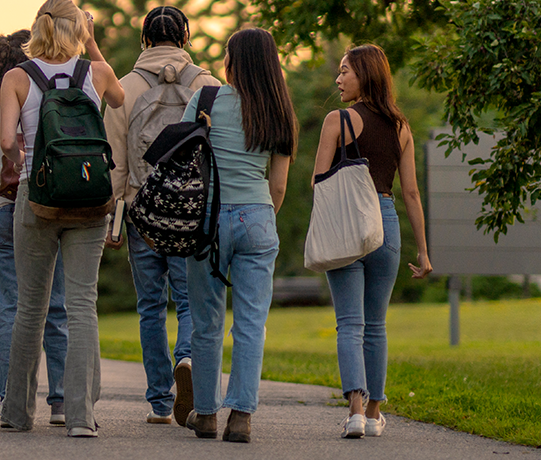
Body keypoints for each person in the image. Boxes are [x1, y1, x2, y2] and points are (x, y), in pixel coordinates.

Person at [0, 0, 126, 438]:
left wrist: (25, 160)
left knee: (30, 307)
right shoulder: (98, 73)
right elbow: (121, 98)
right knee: (82, 305)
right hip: (90, 193)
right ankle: (80, 417)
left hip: (39, 196)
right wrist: (91, 42)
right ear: (78, 28)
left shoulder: (17, 77)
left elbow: (6, 143)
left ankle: (16, 412)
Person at [102, 5, 219, 426]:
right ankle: (186, 358)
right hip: (192, 213)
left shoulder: (124, 88)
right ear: (185, 38)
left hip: (140, 212)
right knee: (189, 302)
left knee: (150, 306)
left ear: (145, 40)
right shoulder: (207, 86)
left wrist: (114, 219)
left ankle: (158, 402)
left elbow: (113, 160)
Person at [180, 28, 295, 444]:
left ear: (233, 61)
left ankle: (206, 414)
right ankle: (241, 416)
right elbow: (278, 186)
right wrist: (259, 217)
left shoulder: (205, 100)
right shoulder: (279, 110)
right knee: (251, 323)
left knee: (206, 322)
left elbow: (183, 159)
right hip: (258, 218)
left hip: (207, 222)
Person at [318, 43, 433, 439]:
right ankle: (374, 412)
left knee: (349, 323)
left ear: (364, 74)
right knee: (376, 326)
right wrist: (423, 250)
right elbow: (412, 193)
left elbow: (320, 182)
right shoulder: (401, 127)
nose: (338, 78)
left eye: (345, 70)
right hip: (385, 223)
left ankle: (353, 412)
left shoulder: (339, 120)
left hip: (347, 223)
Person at [0, 30, 72, 427]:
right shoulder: (44, 101)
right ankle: (60, 400)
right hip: (45, 208)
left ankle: (10, 399)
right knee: (56, 306)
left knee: (12, 311)